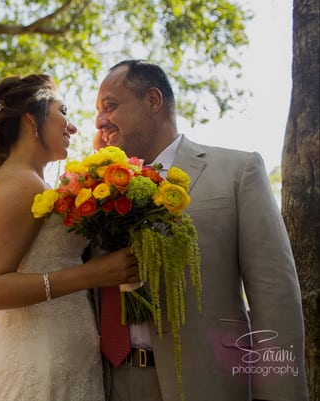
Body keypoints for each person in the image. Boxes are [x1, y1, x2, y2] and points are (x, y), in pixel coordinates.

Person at [94, 59, 308, 401]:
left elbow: (274, 295)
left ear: (153, 100)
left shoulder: (238, 171)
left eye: (110, 106)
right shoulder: (93, 191)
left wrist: (278, 395)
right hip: (109, 385)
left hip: (206, 380)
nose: (99, 120)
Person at [0, 73, 140, 401]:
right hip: (41, 362)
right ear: (30, 118)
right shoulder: (23, 185)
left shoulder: (27, 183)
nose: (73, 127)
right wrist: (91, 275)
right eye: (62, 111)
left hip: (53, 354)